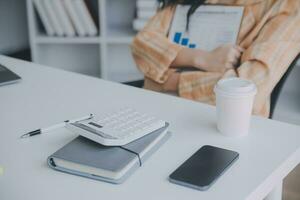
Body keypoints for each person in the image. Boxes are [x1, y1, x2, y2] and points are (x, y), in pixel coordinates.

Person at [131, 0, 300, 117]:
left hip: (224, 124)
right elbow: (142, 44)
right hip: (158, 108)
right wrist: (202, 58)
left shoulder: (288, 7)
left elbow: (246, 94)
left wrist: (167, 82)